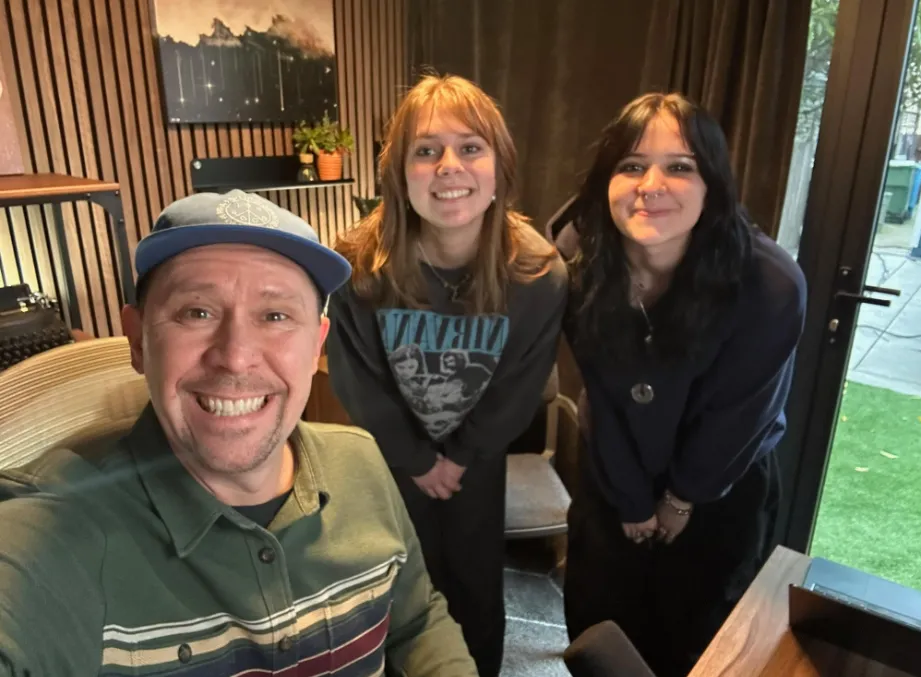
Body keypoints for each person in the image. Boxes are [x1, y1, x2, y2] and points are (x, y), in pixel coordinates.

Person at [0, 190, 478, 677]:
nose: (235, 355)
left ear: (316, 346)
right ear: (139, 339)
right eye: (197, 312)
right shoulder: (59, 523)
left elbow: (417, 622)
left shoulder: (362, 461)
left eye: (276, 316)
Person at [554, 93, 807, 677]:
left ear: (712, 184)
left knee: (699, 640)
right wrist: (631, 500)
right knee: (599, 629)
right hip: (614, 473)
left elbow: (738, 415)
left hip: (721, 488)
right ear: (606, 182)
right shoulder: (580, 268)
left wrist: (678, 500)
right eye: (632, 165)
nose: (653, 184)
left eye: (680, 166)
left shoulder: (769, 284)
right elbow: (602, 393)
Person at [326, 74, 568, 677]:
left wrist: (458, 457)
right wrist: (416, 459)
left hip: (477, 466)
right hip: (392, 463)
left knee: (476, 594)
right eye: (426, 150)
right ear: (399, 173)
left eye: (470, 148)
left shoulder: (537, 273)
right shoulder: (359, 265)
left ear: (499, 167)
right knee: (396, 592)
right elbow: (357, 379)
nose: (448, 167)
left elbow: (520, 386)